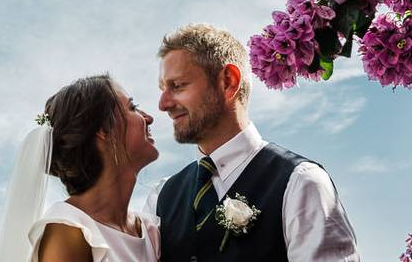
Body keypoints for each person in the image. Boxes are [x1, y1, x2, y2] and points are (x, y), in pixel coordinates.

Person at [145, 24, 359, 261]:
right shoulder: (160, 198)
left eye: (178, 86)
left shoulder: (300, 182)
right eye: (163, 89)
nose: (163, 104)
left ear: (228, 81)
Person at [0, 74, 161, 262]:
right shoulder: (70, 229)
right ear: (103, 129)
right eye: (132, 108)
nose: (149, 118)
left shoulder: (150, 229)